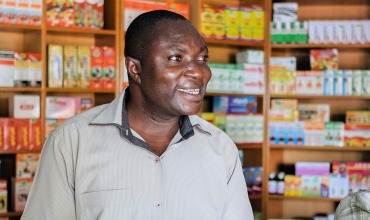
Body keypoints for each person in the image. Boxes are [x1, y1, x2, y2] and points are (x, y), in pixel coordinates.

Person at [21, 10, 253, 220]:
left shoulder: (220, 149)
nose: (199, 72)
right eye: (176, 58)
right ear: (135, 69)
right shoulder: (71, 142)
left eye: (202, 58)